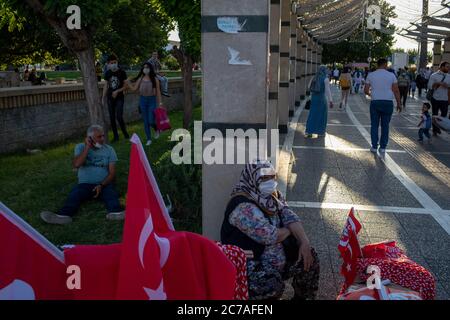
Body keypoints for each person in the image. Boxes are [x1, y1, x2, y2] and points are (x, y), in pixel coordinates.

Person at [221, 160, 320, 300]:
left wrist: (304, 242)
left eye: (272, 177)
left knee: (309, 256)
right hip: (252, 265)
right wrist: (289, 229)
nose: (270, 182)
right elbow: (270, 235)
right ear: (252, 178)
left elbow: (290, 216)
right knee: (271, 284)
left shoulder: (273, 196)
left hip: (279, 262)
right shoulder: (242, 205)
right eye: (264, 178)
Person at [40, 125, 125, 225]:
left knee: (111, 194)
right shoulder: (80, 147)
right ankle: (64, 216)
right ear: (90, 138)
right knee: (75, 194)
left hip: (103, 184)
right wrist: (87, 147)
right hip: (85, 184)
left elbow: (112, 173)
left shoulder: (109, 149)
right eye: (99, 137)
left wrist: (101, 185)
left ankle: (116, 213)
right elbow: (77, 164)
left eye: (103, 136)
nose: (102, 139)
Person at [364, 58, 402, 154]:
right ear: (385, 64)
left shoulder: (371, 75)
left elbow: (366, 90)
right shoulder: (391, 75)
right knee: (385, 126)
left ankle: (374, 146)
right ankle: (383, 147)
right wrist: (399, 103)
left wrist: (371, 94)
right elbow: (396, 90)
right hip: (388, 102)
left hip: (375, 102)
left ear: (377, 65)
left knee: (374, 125)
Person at [127, 62, 163, 146]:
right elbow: (134, 89)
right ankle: (149, 139)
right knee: (146, 121)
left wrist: (160, 103)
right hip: (142, 100)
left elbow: (158, 91)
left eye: (147, 67)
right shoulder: (140, 78)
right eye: (144, 67)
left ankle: (157, 129)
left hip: (152, 100)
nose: (145, 69)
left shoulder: (155, 79)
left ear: (150, 68)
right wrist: (128, 83)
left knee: (151, 120)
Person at [103, 54, 130, 142]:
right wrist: (103, 97)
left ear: (117, 62)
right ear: (108, 64)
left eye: (115, 62)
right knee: (112, 117)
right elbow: (106, 85)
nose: (113, 64)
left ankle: (125, 133)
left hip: (119, 98)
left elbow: (126, 86)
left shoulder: (122, 72)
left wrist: (117, 91)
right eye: (112, 63)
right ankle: (116, 136)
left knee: (119, 116)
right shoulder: (107, 73)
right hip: (110, 98)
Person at [305, 65, 334, 137]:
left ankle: (309, 132)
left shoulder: (314, 77)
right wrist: (331, 101)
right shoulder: (325, 79)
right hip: (321, 99)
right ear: (324, 70)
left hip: (314, 99)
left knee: (312, 115)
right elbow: (327, 91)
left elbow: (309, 87)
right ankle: (320, 132)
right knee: (322, 115)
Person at [427, 61, 450, 136]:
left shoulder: (449, 76)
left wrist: (448, 87)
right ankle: (435, 129)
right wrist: (438, 83)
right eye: (447, 66)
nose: (448, 68)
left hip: (445, 99)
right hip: (435, 98)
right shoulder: (434, 75)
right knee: (435, 114)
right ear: (442, 67)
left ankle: (438, 126)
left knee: (444, 115)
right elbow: (430, 86)